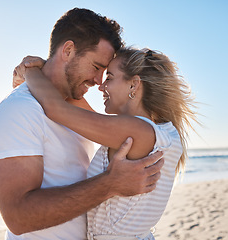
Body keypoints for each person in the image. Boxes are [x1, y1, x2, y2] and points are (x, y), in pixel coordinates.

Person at [0, 8, 164, 240]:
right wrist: (110, 184)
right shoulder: (19, 110)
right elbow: (18, 218)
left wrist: (33, 69)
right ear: (68, 50)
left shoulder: (77, 109)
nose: (99, 82)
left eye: (106, 73)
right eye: (97, 67)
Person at [13, 46, 197, 240]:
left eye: (109, 78)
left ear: (133, 85)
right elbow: (71, 104)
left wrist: (29, 69)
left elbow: (55, 108)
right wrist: (48, 69)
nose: (101, 86)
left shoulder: (139, 132)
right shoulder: (157, 132)